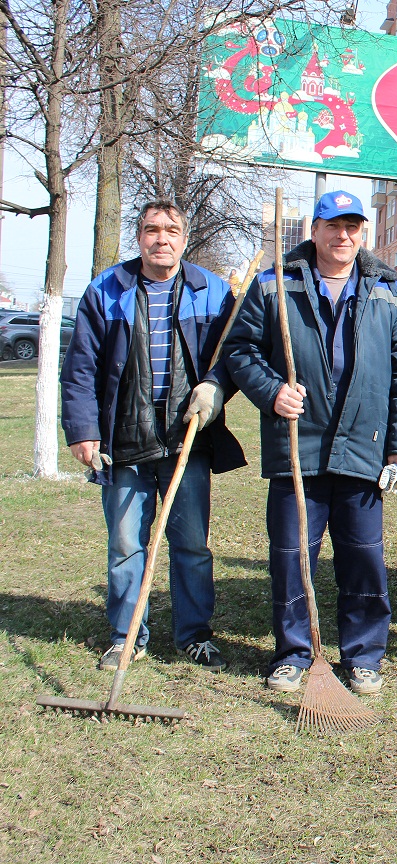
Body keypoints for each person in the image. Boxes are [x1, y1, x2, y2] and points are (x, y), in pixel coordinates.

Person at [224, 190, 397, 695]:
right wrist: (272, 393)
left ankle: (363, 655)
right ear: (314, 230)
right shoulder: (275, 285)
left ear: (364, 233)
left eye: (353, 227)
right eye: (334, 226)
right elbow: (240, 349)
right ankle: (293, 653)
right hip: (300, 446)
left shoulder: (390, 292)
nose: (344, 236)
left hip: (363, 446)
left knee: (363, 557)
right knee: (292, 555)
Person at [61, 200, 247, 673]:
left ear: (184, 239)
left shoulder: (213, 291)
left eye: (171, 230)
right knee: (126, 545)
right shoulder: (107, 290)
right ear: (139, 237)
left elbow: (235, 353)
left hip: (187, 441)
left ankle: (195, 635)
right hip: (124, 441)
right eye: (151, 230)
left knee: (191, 544)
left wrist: (217, 386)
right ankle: (126, 636)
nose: (161, 238)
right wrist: (83, 431)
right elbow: (81, 368)